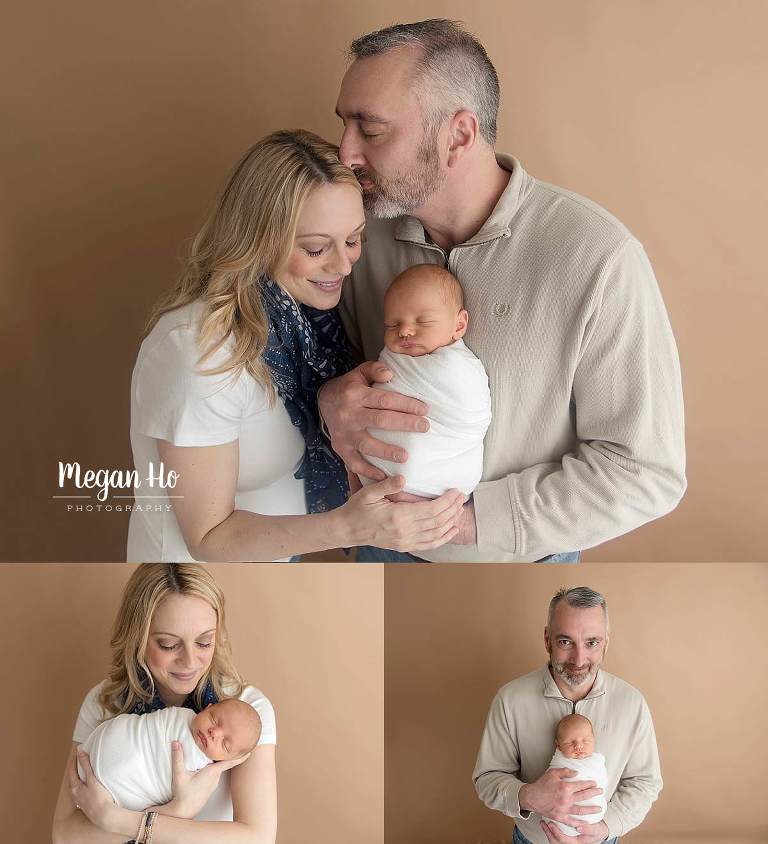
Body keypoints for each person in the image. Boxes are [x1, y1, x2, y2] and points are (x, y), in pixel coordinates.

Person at [319, 19, 686, 562]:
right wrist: (329, 403)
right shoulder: (351, 237)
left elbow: (644, 470)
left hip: (521, 560)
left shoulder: (597, 257)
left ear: (459, 136)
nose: (345, 152)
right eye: (344, 125)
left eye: (369, 129)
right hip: (372, 551)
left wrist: (467, 524)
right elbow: (299, 368)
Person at [126, 129, 465, 561]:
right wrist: (352, 525)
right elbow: (208, 536)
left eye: (353, 239)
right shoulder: (198, 351)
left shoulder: (310, 324)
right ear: (258, 240)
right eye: (316, 247)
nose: (343, 265)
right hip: (189, 577)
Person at [52, 563, 277, 844]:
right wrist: (176, 810)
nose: (190, 661)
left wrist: (114, 820)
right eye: (169, 645)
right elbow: (64, 835)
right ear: (138, 638)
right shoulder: (105, 702)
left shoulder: (246, 712)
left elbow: (256, 837)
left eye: (204, 642)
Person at [473, 586, 662, 844]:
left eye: (591, 643)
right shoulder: (510, 699)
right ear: (546, 639)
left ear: (606, 642)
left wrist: (605, 828)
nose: (579, 659)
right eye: (565, 642)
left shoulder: (632, 703)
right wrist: (528, 796)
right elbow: (487, 778)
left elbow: (645, 782)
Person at [364, 263, 491, 496]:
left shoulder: (461, 368)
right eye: (392, 325)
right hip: (377, 476)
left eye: (422, 322)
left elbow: (471, 417)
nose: (404, 331)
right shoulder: (393, 360)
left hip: (441, 479)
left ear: (459, 325)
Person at [77, 700, 262, 810]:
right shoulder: (182, 715)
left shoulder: (204, 771)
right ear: (207, 707)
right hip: (109, 741)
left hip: (121, 787)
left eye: (225, 744)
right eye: (214, 719)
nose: (215, 733)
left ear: (228, 760)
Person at [544, 714, 607, 837]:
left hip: (595, 826)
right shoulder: (559, 763)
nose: (578, 746)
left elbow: (603, 783)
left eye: (585, 741)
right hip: (556, 824)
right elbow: (547, 785)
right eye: (570, 742)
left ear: (594, 740)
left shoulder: (597, 761)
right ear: (558, 745)